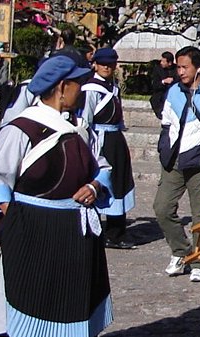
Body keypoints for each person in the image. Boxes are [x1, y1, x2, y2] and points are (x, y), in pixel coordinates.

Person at [0, 55, 113, 337]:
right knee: (36, 304)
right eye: (78, 84)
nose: (82, 90)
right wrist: (18, 220)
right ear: (61, 88)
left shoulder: (80, 128)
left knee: (80, 305)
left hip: (77, 233)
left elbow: (103, 168)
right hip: (34, 233)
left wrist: (95, 186)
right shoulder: (21, 129)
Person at [153, 46, 200, 282]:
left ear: (198, 68)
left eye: (184, 66)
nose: (180, 71)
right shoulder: (174, 91)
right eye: (178, 66)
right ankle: (181, 252)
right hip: (174, 159)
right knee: (162, 207)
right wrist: (164, 148)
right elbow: (166, 122)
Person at [81, 48, 136, 250]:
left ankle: (116, 230)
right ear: (95, 64)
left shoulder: (113, 87)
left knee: (119, 181)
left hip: (115, 138)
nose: (107, 67)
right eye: (103, 63)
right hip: (100, 139)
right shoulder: (90, 89)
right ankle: (98, 228)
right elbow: (86, 119)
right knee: (102, 182)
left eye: (110, 64)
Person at [150, 52, 178, 120]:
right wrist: (163, 81)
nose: (161, 63)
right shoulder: (157, 69)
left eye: (163, 61)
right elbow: (155, 84)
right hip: (161, 96)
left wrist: (173, 80)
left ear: (170, 63)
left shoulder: (176, 69)